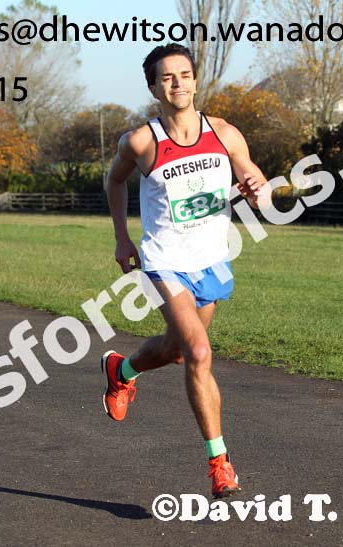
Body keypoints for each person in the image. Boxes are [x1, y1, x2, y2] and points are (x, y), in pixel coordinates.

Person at [102, 43, 267, 498]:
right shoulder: (141, 142)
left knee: (177, 351)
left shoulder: (226, 134)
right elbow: (114, 180)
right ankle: (220, 463)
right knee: (198, 352)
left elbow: (260, 190)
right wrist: (121, 237)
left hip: (211, 260)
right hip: (163, 262)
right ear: (153, 86)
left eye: (185, 74)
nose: (178, 83)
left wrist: (257, 190)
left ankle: (123, 370)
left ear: (196, 80)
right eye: (167, 77)